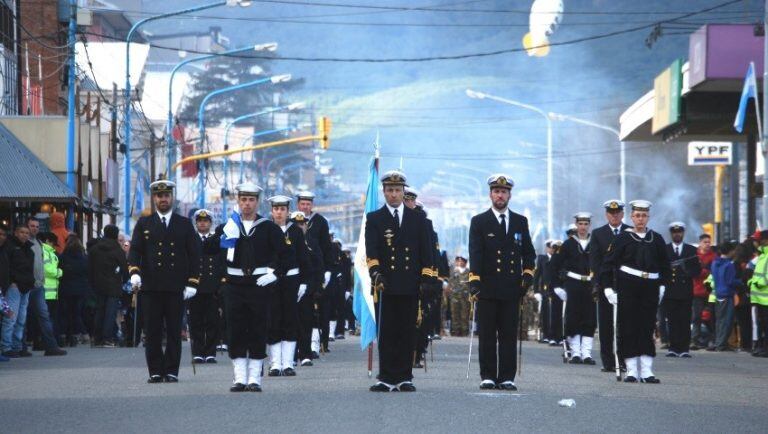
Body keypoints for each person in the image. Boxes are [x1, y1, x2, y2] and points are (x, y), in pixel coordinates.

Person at [365, 170, 433, 392]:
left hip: (410, 284)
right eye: (389, 190)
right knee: (386, 332)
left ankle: (405, 376)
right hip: (386, 284)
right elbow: (371, 250)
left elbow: (427, 251)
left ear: (403, 192)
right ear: (383, 192)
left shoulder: (418, 219)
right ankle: (386, 376)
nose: (393, 194)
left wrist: (426, 279)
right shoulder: (375, 218)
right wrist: (375, 273)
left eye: (397, 190)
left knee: (406, 331)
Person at [218, 182, 290, 391]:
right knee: (236, 329)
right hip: (234, 285)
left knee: (258, 328)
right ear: (238, 201)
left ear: (257, 202)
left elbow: (286, 255)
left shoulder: (268, 227)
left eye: (251, 200)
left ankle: (255, 377)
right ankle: (239, 377)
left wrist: (275, 274)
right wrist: (223, 236)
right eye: (243, 200)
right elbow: (210, 250)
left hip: (259, 285)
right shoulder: (230, 225)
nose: (247, 204)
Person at [128, 180, 201, 384]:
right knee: (152, 332)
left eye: (166, 195)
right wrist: (134, 272)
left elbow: (194, 255)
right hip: (151, 287)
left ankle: (171, 371)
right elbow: (135, 250)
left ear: (172, 198)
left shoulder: (184, 224)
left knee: (174, 331)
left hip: (176, 287)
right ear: (154, 198)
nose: (163, 199)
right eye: (159, 196)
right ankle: (154, 371)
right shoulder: (144, 224)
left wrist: (192, 283)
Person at [468, 174, 536, 391]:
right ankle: (487, 375)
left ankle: (507, 376)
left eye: (504, 192)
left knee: (508, 334)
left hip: (511, 288)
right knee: (487, 334)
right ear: (490, 194)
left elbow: (529, 253)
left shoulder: (520, 221)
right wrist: (474, 280)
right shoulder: (479, 221)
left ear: (509, 195)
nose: (500, 195)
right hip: (487, 287)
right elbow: (475, 253)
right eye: (496, 191)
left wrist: (527, 275)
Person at [601, 200, 671, 384]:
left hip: (650, 286)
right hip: (628, 285)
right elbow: (608, 264)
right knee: (629, 327)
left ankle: (647, 370)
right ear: (631, 217)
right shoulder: (623, 238)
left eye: (644, 215)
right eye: (637, 215)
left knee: (647, 327)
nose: (641, 219)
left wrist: (663, 284)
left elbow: (665, 265)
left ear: (648, 217)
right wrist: (608, 288)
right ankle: (632, 369)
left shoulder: (656, 239)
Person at [266, 195, 308, 377]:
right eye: (276, 209)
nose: (279, 213)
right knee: (273, 320)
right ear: (272, 211)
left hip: (291, 280)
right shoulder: (266, 230)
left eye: (282, 209)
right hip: (271, 280)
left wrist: (304, 282)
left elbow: (304, 259)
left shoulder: (296, 232)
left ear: (287, 211)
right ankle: (275, 363)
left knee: (290, 320)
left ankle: (288, 363)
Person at [590, 199, 631, 372]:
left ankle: (623, 360)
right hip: (606, 285)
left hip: (626, 285)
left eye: (617, 213)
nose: (614, 216)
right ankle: (608, 361)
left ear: (622, 214)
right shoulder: (598, 234)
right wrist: (601, 285)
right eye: (611, 213)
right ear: (607, 215)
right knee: (606, 326)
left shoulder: (630, 232)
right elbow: (595, 262)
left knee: (625, 325)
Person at [550, 212, 597, 365]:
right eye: (580, 224)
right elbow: (555, 266)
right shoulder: (568, 244)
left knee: (589, 318)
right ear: (576, 225)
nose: (583, 227)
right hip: (573, 283)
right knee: (574, 318)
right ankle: (576, 352)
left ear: (589, 225)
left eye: (586, 224)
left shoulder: (594, 243)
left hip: (590, 284)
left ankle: (587, 353)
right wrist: (557, 287)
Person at [25, 218, 67, 356]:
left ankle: (51, 346)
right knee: (23, 318)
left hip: (39, 286)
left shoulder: (38, 243)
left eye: (37, 226)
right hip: (26, 285)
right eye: (32, 226)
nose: (35, 228)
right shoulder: (26, 244)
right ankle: (18, 346)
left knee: (44, 316)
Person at [189, 209, 223, 364]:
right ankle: (197, 351)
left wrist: (221, 284)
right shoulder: (191, 239)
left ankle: (210, 352)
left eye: (206, 220)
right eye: (200, 221)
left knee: (212, 321)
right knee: (195, 321)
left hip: (212, 287)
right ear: (196, 223)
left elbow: (221, 263)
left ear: (210, 223)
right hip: (195, 286)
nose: (202, 223)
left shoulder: (217, 240)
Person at [662, 222, 701, 358]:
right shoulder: (665, 249)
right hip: (670, 290)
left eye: (679, 232)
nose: (677, 234)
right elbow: (661, 269)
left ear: (683, 233)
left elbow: (697, 270)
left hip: (685, 291)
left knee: (684, 320)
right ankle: (673, 347)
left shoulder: (690, 250)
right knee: (672, 321)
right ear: (671, 233)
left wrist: (686, 270)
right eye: (674, 232)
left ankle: (684, 348)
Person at [292, 211, 323, 366]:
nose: (299, 226)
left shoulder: (311, 242)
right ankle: (291, 355)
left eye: (302, 223)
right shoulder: (286, 240)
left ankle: (305, 354)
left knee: (306, 322)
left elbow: (318, 267)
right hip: (290, 288)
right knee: (290, 323)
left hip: (308, 289)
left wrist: (316, 288)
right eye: (296, 224)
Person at [89, 225, 128, 348]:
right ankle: (107, 338)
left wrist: (92, 282)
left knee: (99, 311)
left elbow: (89, 268)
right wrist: (122, 281)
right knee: (110, 313)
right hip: (114, 285)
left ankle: (97, 338)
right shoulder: (118, 250)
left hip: (98, 285)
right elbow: (125, 270)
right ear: (116, 235)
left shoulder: (94, 249)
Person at [1, 225, 35, 358]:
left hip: (26, 286)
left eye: (26, 233)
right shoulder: (9, 247)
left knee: (21, 319)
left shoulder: (29, 249)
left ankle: (17, 346)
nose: (24, 235)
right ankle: (6, 346)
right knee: (11, 318)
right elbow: (6, 267)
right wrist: (11, 282)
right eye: (22, 232)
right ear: (16, 233)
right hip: (14, 287)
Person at [58, 234, 90, 347]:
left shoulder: (63, 257)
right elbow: (87, 272)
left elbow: (60, 272)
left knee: (64, 313)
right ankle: (75, 336)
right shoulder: (84, 257)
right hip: (80, 289)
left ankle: (63, 336)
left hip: (65, 288)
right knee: (76, 313)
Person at [708, 242, 740, 352]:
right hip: (727, 294)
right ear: (730, 251)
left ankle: (718, 342)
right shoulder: (729, 265)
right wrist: (741, 282)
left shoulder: (714, 263)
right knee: (727, 321)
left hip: (717, 294)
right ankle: (721, 344)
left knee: (719, 320)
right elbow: (730, 281)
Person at [691, 234, 716, 350]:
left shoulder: (714, 256)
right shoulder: (694, 256)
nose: (707, 244)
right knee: (696, 317)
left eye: (708, 242)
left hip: (710, 292)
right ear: (700, 243)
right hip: (697, 291)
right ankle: (694, 340)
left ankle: (711, 339)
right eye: (705, 242)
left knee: (709, 317)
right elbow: (693, 272)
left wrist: (703, 271)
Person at [39, 232, 63, 346]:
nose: (54, 246)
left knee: (48, 318)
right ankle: (48, 342)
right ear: (48, 241)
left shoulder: (48, 252)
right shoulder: (46, 251)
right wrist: (59, 272)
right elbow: (48, 270)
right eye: (53, 243)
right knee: (48, 318)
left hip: (51, 291)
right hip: (48, 291)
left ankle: (46, 341)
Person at [748, 230, 768, 357]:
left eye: (761, 239)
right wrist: (751, 282)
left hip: (765, 297)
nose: (759, 242)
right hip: (759, 297)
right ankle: (763, 347)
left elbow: (765, 276)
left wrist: (758, 283)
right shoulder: (762, 255)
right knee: (762, 325)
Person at [448, 256, 471, 337]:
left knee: (465, 314)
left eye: (462, 261)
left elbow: (470, 284)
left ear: (465, 262)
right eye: (458, 261)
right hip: (455, 296)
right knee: (454, 314)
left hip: (465, 296)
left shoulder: (468, 272)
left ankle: (464, 331)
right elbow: (450, 281)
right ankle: (455, 331)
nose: (460, 263)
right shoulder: (453, 271)